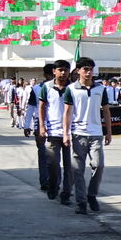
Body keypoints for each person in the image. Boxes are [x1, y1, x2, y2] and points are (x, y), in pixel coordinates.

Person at [60, 56, 116, 214]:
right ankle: (81, 202)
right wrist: (66, 134)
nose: (89, 72)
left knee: (99, 166)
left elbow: (106, 110)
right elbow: (67, 113)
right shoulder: (71, 89)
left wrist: (109, 132)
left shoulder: (100, 89)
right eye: (85, 69)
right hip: (78, 134)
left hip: (96, 133)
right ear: (78, 71)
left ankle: (92, 194)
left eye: (91, 69)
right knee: (77, 170)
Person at [35, 59, 74, 203]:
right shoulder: (46, 87)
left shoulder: (74, 87)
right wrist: (42, 126)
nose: (63, 73)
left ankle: (66, 193)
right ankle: (53, 188)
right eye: (60, 70)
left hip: (70, 132)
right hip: (52, 132)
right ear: (54, 71)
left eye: (66, 70)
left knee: (70, 166)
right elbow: (41, 107)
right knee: (52, 164)